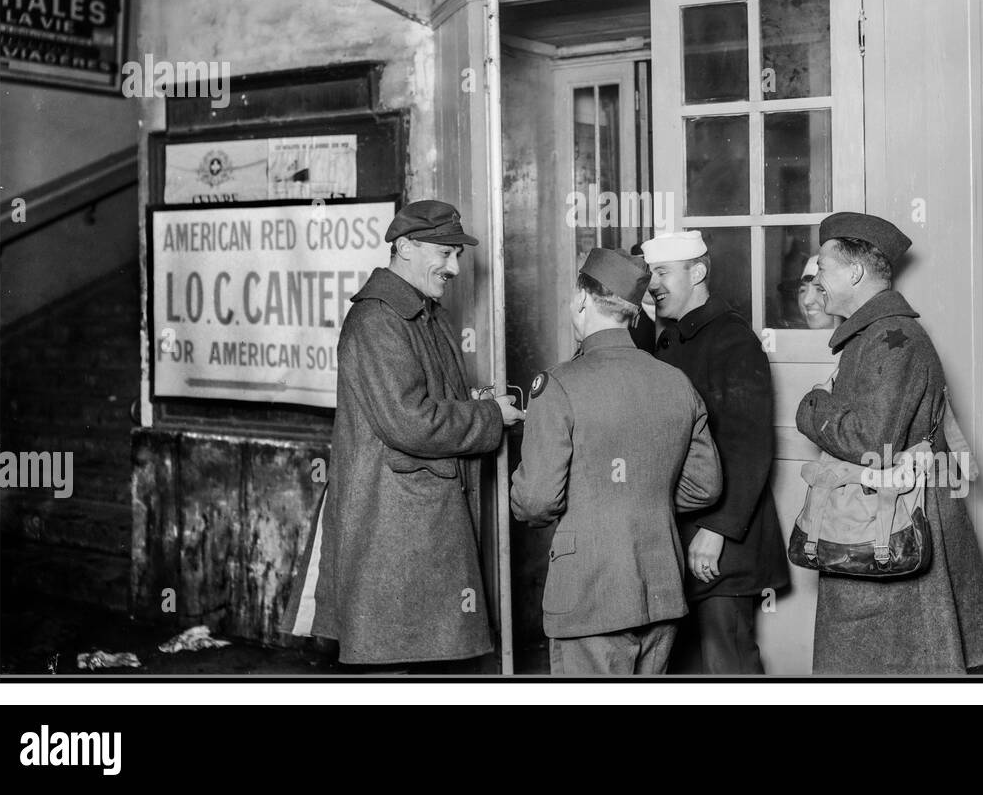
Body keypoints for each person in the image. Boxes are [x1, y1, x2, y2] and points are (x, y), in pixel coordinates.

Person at [298, 199, 524, 667]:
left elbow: (428, 401)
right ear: (404, 247)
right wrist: (487, 417)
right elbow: (410, 421)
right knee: (400, 660)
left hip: (414, 524)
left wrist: (475, 402)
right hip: (395, 527)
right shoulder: (377, 320)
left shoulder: (422, 313)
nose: (455, 267)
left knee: (419, 660)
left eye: (457, 254)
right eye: (444, 253)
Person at [797, 211, 983, 675]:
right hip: (884, 522)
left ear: (855, 272)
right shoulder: (878, 335)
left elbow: (871, 440)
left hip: (893, 524)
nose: (817, 281)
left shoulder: (892, 338)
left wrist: (813, 407)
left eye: (823, 269)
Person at [511, 247, 722, 675]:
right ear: (633, 314)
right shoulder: (675, 382)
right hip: (660, 588)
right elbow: (704, 486)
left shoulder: (559, 384)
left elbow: (534, 500)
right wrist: (642, 492)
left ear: (582, 300)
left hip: (589, 593)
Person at [641, 230, 790, 675]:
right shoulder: (673, 337)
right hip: (686, 535)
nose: (653, 284)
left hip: (720, 541)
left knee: (726, 666)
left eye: (663, 272)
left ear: (698, 272)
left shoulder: (731, 339)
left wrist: (717, 529)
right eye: (650, 274)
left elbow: (749, 442)